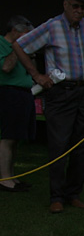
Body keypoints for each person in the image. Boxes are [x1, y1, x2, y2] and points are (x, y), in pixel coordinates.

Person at [13, 0, 84, 213]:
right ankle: (56, 196)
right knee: (58, 144)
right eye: (75, 6)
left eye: (83, 7)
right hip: (60, 92)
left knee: (82, 145)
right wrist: (36, 75)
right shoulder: (52, 26)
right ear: (65, 5)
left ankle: (73, 193)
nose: (79, 11)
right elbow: (19, 45)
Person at [0, 15, 36, 192]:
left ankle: (11, 176)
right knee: (7, 137)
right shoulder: (2, 44)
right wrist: (18, 48)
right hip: (8, 94)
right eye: (25, 35)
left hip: (23, 94)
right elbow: (6, 67)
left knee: (15, 138)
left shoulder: (22, 48)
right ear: (15, 31)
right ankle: (4, 178)